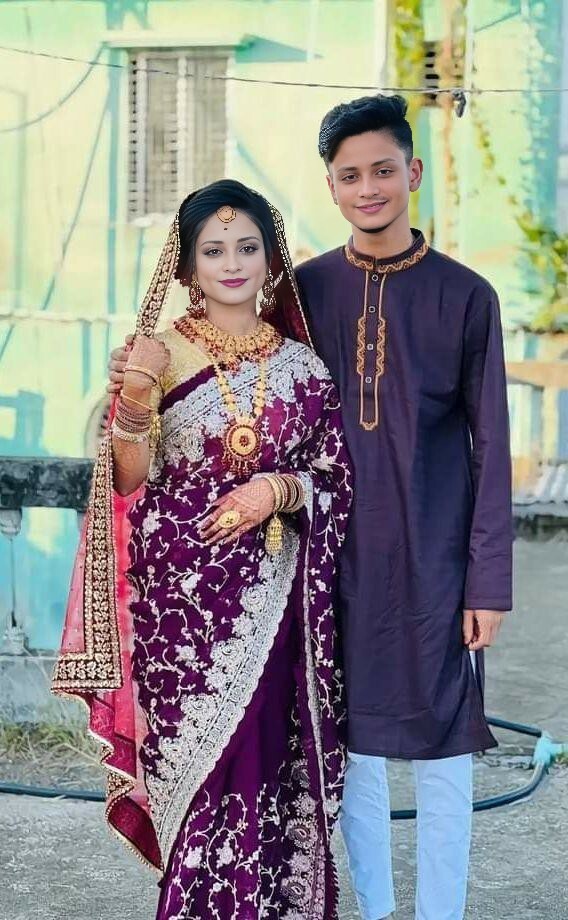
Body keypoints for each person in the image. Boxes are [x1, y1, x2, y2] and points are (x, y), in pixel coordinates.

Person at [108, 96, 513, 920]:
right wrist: (137, 383)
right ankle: (374, 909)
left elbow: (491, 447)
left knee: (444, 745)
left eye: (383, 171)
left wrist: (489, 581)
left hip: (435, 559)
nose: (369, 189)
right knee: (347, 745)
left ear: (413, 173)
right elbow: (231, 383)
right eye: (350, 176)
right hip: (327, 564)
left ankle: (441, 913)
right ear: (330, 186)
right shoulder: (310, 291)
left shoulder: (467, 296)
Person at [53, 179, 353, 920]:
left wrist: (277, 490)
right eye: (213, 250)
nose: (232, 263)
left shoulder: (304, 369)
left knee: (263, 774)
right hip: (178, 614)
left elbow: (338, 479)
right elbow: (128, 479)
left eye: (247, 247)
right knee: (194, 782)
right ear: (187, 265)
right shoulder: (159, 354)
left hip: (272, 603)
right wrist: (134, 397)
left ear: (271, 261)